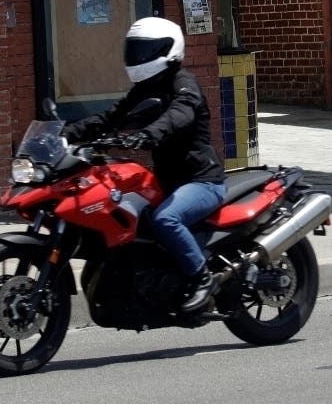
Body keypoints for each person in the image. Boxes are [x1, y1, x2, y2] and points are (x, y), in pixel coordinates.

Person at [63, 16, 227, 313]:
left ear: (168, 50)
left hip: (201, 181)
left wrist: (149, 134)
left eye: (145, 50)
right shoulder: (144, 90)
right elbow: (110, 117)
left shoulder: (183, 83)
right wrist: (67, 132)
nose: (138, 57)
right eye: (135, 50)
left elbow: (180, 114)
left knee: (166, 219)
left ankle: (202, 278)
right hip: (166, 182)